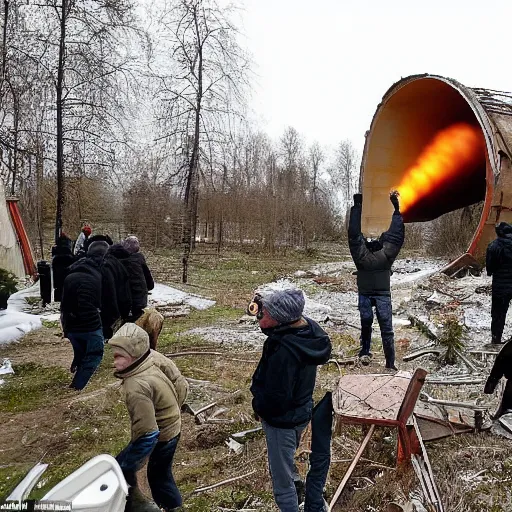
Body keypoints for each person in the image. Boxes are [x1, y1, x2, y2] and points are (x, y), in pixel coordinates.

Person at [250, 289, 332, 512]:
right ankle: (297, 483)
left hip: (281, 421)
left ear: (278, 319)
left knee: (281, 480)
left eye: (263, 313)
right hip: (300, 412)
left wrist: (258, 406)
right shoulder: (307, 332)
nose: (259, 316)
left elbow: (276, 400)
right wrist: (267, 300)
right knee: (289, 457)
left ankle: (290, 504)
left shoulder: (283, 352)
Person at [111, 323, 188, 512]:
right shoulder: (152, 357)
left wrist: (128, 464)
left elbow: (147, 433)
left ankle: (156, 506)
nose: (114, 362)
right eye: (114, 355)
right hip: (173, 426)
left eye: (119, 356)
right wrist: (173, 409)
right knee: (159, 473)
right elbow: (180, 383)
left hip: (163, 434)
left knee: (152, 476)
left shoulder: (135, 386)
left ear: (134, 355)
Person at [348, 191, 405, 371]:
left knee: (372, 325)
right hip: (379, 295)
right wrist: (396, 210)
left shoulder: (361, 253)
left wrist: (358, 206)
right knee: (383, 328)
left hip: (372, 294)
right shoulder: (387, 253)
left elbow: (354, 233)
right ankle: (385, 361)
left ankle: (372, 355)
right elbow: (397, 234)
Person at [61, 241, 105, 390]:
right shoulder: (96, 276)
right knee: (95, 353)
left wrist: (67, 326)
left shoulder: (70, 275)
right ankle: (78, 386)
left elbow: (64, 304)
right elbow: (98, 303)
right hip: (89, 325)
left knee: (81, 350)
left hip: (71, 325)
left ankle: (78, 361)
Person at [486, 222, 512, 345]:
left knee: (498, 314)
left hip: (500, 287)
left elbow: (490, 269)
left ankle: (496, 340)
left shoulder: (493, 246)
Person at [121, 236, 155, 321]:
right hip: (140, 298)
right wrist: (149, 286)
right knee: (139, 321)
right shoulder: (139, 259)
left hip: (125, 298)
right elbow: (148, 278)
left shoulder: (119, 260)